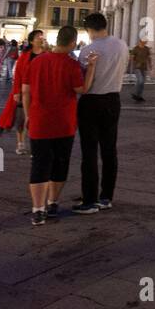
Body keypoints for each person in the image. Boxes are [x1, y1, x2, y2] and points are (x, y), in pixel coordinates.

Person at [22, 25, 96, 225]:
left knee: (39, 165)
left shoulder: (36, 62)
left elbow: (25, 91)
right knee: (59, 164)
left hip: (39, 122)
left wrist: (28, 115)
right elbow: (82, 89)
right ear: (72, 43)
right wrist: (91, 68)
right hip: (64, 124)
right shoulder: (71, 64)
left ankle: (38, 210)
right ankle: (52, 203)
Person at [73, 13, 128, 214]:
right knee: (109, 150)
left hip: (91, 102)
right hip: (113, 100)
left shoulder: (88, 50)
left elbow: (82, 82)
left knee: (89, 152)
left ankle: (89, 200)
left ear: (89, 30)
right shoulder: (122, 45)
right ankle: (106, 197)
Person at [0, 29, 46, 155]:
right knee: (21, 118)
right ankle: (20, 143)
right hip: (24, 91)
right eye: (38, 36)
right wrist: (16, 91)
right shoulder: (25, 55)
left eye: (42, 36)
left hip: (40, 91)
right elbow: (18, 74)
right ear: (31, 41)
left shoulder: (47, 54)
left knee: (38, 120)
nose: (41, 38)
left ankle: (34, 145)